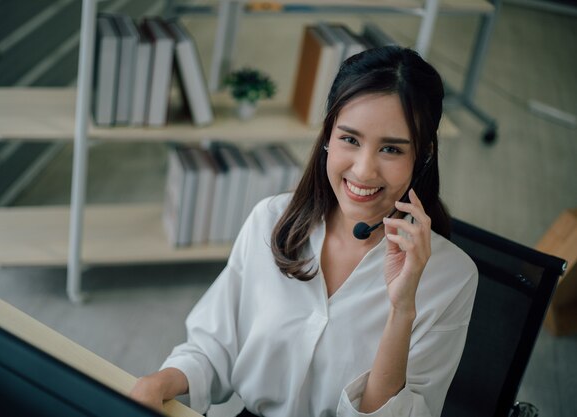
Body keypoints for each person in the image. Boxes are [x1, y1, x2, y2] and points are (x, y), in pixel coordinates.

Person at [130, 45, 478, 417]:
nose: (363, 171)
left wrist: (402, 309)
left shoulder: (451, 278)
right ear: (328, 136)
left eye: (391, 149)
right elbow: (217, 346)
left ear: (422, 155)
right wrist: (160, 382)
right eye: (350, 139)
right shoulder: (271, 218)